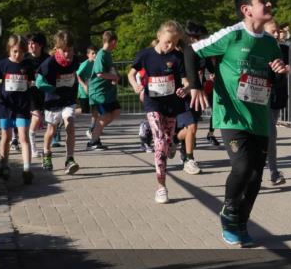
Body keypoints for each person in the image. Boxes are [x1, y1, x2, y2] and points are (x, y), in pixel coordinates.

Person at [185, 0, 289, 246]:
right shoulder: (232, 35)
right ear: (247, 9)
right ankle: (229, 212)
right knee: (242, 166)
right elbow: (191, 51)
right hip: (231, 115)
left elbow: (274, 79)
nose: (269, 4)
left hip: (259, 118)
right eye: (262, 1)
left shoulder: (270, 43)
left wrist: (279, 72)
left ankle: (242, 222)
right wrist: (195, 86)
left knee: (255, 176)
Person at [128, 21, 189, 204]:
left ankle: (172, 144)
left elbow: (186, 81)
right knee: (159, 141)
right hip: (152, 103)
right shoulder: (145, 55)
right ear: (159, 36)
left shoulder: (177, 57)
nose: (170, 46)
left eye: (174, 42)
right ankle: (161, 187)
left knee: (167, 142)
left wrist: (185, 89)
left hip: (171, 105)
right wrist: (136, 86)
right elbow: (131, 74)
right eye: (167, 41)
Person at [36, 30, 82, 176]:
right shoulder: (49, 63)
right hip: (53, 101)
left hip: (68, 99)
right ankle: (46, 154)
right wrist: (50, 88)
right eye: (64, 50)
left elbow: (79, 74)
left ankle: (69, 159)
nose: (68, 54)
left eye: (70, 50)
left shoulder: (75, 60)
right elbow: (38, 81)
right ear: (57, 49)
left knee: (70, 125)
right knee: (51, 130)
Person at [0, 35, 35, 182]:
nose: (18, 54)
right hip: (6, 107)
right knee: (6, 137)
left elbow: (34, 81)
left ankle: (27, 169)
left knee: (23, 137)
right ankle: (4, 166)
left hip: (22, 107)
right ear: (9, 50)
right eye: (15, 51)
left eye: (21, 52)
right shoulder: (1, 65)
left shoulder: (28, 65)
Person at [174, 22, 208, 174]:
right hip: (182, 95)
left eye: (200, 37)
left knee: (190, 130)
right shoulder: (179, 54)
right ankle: (189, 160)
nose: (197, 40)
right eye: (194, 37)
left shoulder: (203, 54)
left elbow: (209, 71)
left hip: (197, 95)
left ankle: (175, 140)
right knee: (192, 127)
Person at [263, 20, 289, 186]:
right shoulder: (258, 49)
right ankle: (272, 172)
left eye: (278, 31)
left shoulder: (284, 49)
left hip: (277, 95)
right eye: (272, 31)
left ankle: (271, 170)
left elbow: (288, 68)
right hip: (260, 96)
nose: (277, 34)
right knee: (270, 134)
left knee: (270, 136)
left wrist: (287, 70)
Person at [87, 30, 121, 150]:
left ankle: (95, 130)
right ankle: (93, 140)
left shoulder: (108, 54)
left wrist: (115, 76)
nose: (116, 45)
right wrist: (114, 77)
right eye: (116, 43)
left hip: (108, 92)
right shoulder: (101, 54)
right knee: (105, 115)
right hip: (99, 92)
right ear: (113, 41)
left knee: (116, 111)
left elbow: (110, 70)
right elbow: (99, 73)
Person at [76, 45, 98, 139]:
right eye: (92, 53)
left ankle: (92, 129)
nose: (95, 55)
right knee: (84, 110)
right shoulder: (85, 64)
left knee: (95, 109)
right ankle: (69, 113)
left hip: (93, 90)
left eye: (96, 53)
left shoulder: (97, 63)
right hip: (84, 91)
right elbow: (77, 75)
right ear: (88, 55)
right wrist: (84, 85)